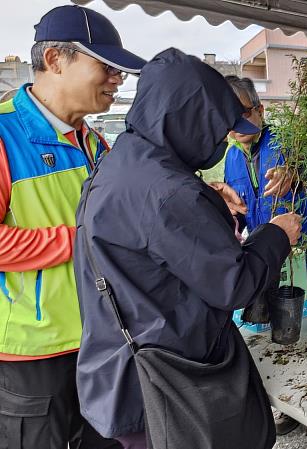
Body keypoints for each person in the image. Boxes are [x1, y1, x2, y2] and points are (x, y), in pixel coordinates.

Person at [72, 48, 302, 448]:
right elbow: (235, 283)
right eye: (215, 128)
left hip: (117, 366)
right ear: (191, 120)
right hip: (165, 380)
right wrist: (277, 234)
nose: (220, 140)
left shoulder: (122, 162)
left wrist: (208, 203)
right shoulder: (169, 192)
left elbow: (156, 241)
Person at [0, 6, 145, 448]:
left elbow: (121, 211)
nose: (117, 79)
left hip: (99, 340)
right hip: (33, 353)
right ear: (56, 61)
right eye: (106, 66)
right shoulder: (5, 137)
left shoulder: (93, 140)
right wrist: (78, 242)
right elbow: (93, 232)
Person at [223, 76, 307, 302]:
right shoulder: (232, 158)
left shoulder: (287, 139)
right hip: (278, 255)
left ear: (260, 110)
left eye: (243, 114)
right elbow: (239, 209)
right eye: (228, 118)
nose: (237, 126)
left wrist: (293, 172)